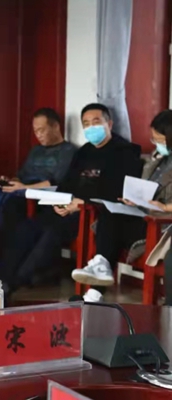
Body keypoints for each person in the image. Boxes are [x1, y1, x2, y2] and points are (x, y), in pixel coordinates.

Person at [0, 103, 142, 298]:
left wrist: (80, 203)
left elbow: (117, 189)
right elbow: (67, 183)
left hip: (93, 213)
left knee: (52, 233)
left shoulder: (125, 152)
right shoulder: (84, 152)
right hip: (68, 206)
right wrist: (60, 201)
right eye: (86, 124)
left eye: (96, 122)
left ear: (109, 124)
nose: (91, 127)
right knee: (27, 228)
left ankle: (14, 284)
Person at [73, 110, 172, 301]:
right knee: (111, 211)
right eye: (154, 139)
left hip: (160, 224)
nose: (156, 144)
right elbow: (147, 187)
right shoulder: (159, 159)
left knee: (111, 225)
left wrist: (163, 207)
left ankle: (95, 288)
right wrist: (135, 199)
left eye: (159, 140)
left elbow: (163, 204)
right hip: (143, 213)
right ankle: (98, 276)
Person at [0, 108, 76, 262]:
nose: (38, 135)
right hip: (20, 190)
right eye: (35, 131)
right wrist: (11, 181)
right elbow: (21, 175)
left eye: (42, 130)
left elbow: (55, 182)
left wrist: (24, 188)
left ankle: (6, 262)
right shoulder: (36, 151)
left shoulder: (68, 151)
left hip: (39, 197)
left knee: (11, 210)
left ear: (55, 126)